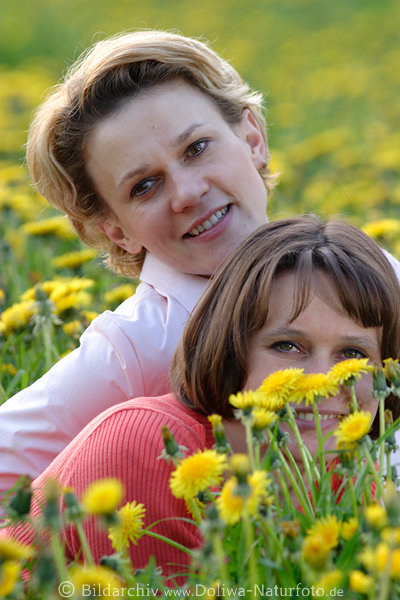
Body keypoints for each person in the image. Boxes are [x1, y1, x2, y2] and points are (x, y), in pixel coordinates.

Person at [0, 30, 399, 494]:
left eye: (197, 148)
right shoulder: (138, 346)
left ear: (253, 139)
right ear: (116, 230)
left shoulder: (378, 273)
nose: (188, 193)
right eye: (144, 186)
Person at [6, 215, 400, 579]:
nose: (320, 382)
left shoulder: (344, 476)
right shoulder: (149, 448)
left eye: (353, 355)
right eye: (287, 346)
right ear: (232, 346)